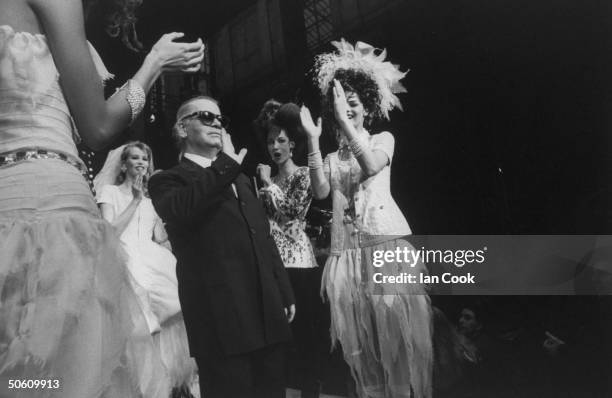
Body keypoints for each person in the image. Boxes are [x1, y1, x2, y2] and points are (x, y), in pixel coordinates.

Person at [0, 0, 203, 396]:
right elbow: (98, 126)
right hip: (53, 219)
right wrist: (154, 63)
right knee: (67, 378)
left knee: (20, 376)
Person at [300, 39, 433, 397]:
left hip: (384, 246)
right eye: (342, 102)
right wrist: (313, 143)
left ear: (367, 107)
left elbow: (372, 166)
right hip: (347, 254)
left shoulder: (382, 139)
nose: (348, 105)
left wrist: (345, 124)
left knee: (396, 342)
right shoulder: (331, 155)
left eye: (355, 102)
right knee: (362, 347)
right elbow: (321, 193)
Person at [148, 96, 296, 398]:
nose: (217, 122)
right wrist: (226, 164)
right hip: (221, 318)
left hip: (265, 310)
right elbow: (182, 209)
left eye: (220, 119)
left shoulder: (240, 179)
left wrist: (282, 289)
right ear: (182, 127)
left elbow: (262, 235)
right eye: (206, 116)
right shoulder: (167, 180)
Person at [94, 141, 199, 397]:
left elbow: (159, 236)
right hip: (120, 255)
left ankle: (167, 381)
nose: (141, 163)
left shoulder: (151, 200)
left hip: (151, 256)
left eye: (144, 158)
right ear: (124, 163)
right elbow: (110, 231)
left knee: (173, 309)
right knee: (138, 322)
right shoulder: (110, 192)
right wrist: (135, 201)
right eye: (135, 158)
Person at [256, 102, 325, 397]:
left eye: (281, 141)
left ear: (293, 145)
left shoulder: (302, 175)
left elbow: (292, 211)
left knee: (304, 336)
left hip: (299, 261)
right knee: (277, 339)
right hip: (273, 263)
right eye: (271, 141)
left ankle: (310, 390)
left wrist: (268, 184)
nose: (275, 147)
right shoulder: (267, 181)